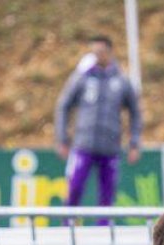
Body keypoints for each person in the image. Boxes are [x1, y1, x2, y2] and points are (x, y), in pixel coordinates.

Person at [54, 36, 143, 211]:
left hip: (110, 147)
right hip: (83, 144)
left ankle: (104, 225)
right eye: (93, 52)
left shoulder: (121, 80)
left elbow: (135, 112)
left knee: (107, 195)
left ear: (109, 52)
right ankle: (69, 223)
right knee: (74, 188)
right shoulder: (81, 77)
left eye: (100, 52)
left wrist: (134, 142)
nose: (97, 56)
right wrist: (62, 138)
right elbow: (63, 105)